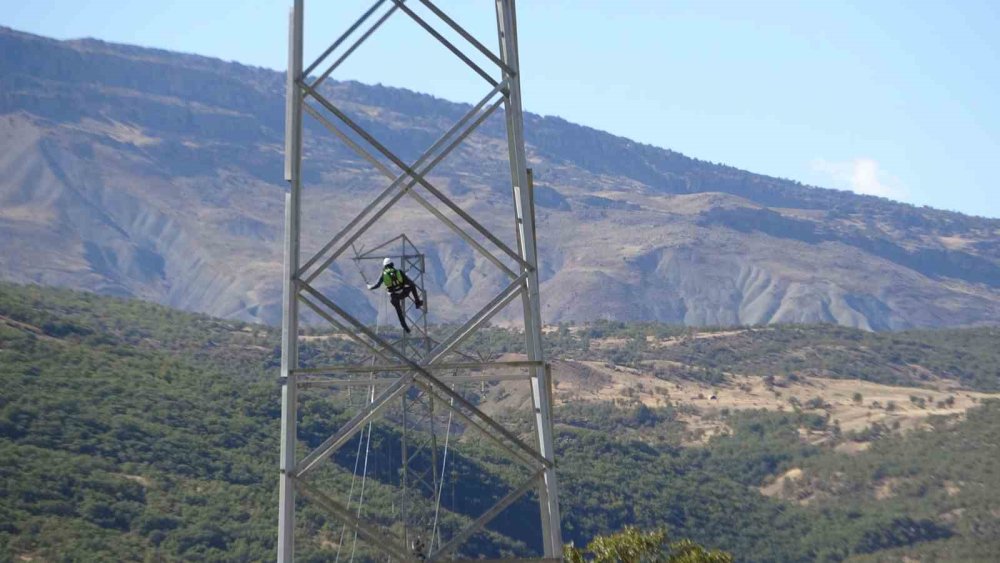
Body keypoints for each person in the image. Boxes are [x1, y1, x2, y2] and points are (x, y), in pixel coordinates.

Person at [368, 257, 423, 333]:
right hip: (403, 293)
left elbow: (377, 285)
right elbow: (410, 283)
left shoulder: (383, 275)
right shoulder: (399, 272)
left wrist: (369, 287)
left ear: (384, 266)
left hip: (394, 297)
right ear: (392, 264)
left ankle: (405, 327)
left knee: (399, 311)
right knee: (412, 286)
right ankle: (417, 302)